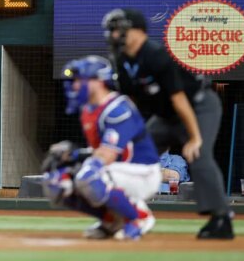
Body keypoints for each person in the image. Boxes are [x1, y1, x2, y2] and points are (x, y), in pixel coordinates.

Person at [101, 8, 234, 239]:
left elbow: (179, 99)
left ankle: (221, 218)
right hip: (165, 116)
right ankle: (123, 213)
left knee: (198, 154)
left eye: (119, 30)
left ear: (138, 31)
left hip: (198, 107)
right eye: (112, 31)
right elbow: (131, 103)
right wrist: (127, 137)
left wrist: (194, 138)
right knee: (134, 155)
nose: (114, 35)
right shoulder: (121, 60)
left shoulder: (156, 55)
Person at [42, 55, 161, 241]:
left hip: (143, 173)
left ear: (98, 81)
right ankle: (112, 221)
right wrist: (73, 155)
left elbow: (108, 154)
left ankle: (139, 218)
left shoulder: (118, 108)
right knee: (57, 182)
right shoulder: (88, 110)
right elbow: (100, 151)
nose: (74, 86)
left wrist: (83, 164)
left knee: (89, 175)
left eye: (79, 80)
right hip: (118, 169)